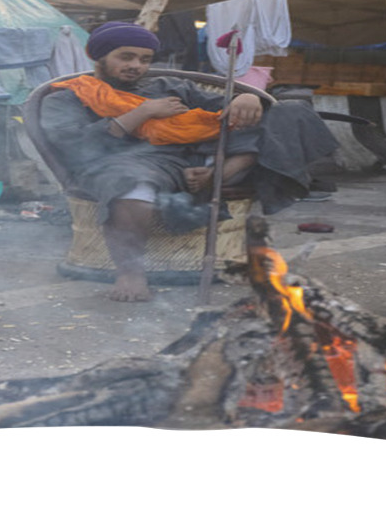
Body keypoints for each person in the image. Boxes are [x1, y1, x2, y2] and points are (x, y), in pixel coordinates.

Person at [40, 21, 339, 303]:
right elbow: (73, 144)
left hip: (193, 153)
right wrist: (141, 113)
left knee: (289, 111)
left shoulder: (168, 85)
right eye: (126, 57)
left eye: (144, 59)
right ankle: (131, 272)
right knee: (128, 181)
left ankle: (221, 171)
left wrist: (246, 99)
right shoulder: (69, 97)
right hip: (122, 161)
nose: (136, 66)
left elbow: (223, 109)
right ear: (99, 57)